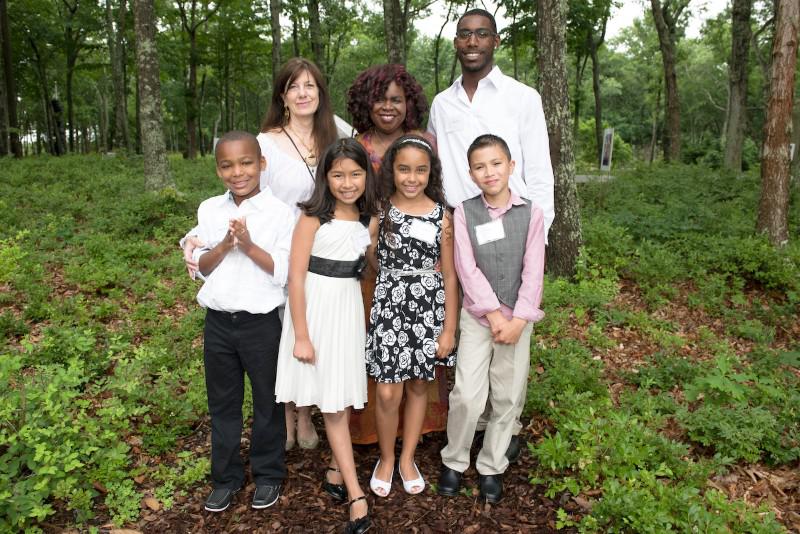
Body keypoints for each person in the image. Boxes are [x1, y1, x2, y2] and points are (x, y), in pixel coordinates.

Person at [183, 57, 339, 452]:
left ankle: (306, 413)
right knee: (281, 335)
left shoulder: (337, 134)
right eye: (293, 87)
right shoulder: (265, 143)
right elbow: (238, 199)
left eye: (310, 86)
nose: (302, 94)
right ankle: (284, 417)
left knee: (310, 332)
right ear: (282, 96)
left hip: (324, 252)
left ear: (320, 92)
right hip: (276, 249)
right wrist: (195, 237)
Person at [426, 7, 555, 462]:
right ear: (456, 43)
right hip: (464, 231)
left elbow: (538, 170)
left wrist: (536, 240)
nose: (473, 42)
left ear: (495, 41)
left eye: (482, 34)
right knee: (471, 327)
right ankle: (470, 424)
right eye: (465, 35)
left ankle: (506, 426)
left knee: (510, 333)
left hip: (516, 231)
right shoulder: (443, 104)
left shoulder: (522, 97)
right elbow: (440, 173)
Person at [274, 138, 378, 534]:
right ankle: (356, 494)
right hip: (315, 312)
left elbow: (370, 265)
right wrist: (301, 334)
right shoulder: (312, 218)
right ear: (326, 177)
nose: (347, 182)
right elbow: (296, 279)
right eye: (338, 175)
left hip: (348, 310)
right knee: (333, 407)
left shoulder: (368, 219)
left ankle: (336, 470)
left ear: (366, 176)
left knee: (343, 392)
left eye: (355, 174)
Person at [438, 134, 545, 504]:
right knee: (467, 393)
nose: (490, 172)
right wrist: (494, 313)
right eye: (480, 167)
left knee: (507, 395)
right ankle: (454, 459)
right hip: (478, 318)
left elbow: (534, 269)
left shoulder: (531, 213)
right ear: (471, 173)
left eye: (496, 163)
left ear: (511, 166)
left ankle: (492, 464)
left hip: (518, 320)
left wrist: (518, 318)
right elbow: (465, 267)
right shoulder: (465, 212)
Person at [346, 64, 447, 446]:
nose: (388, 107)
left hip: (421, 267)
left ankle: (414, 434)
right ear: (365, 103)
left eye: (396, 100)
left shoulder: (424, 141)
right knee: (378, 349)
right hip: (371, 263)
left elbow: (436, 195)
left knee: (418, 352)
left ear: (409, 103)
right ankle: (374, 432)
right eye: (380, 99)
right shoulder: (358, 145)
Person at [192, 131, 293, 513]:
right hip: (218, 322)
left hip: (261, 324)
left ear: (261, 164)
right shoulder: (209, 210)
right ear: (218, 170)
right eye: (227, 165)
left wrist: (248, 245)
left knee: (267, 401)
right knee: (223, 403)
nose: (238, 172)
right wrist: (224, 245)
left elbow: (283, 271)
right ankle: (226, 478)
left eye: (246, 163)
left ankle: (268, 474)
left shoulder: (281, 213)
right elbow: (201, 266)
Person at [365, 135, 458, 497]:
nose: (411, 177)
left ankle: (407, 458)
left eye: (420, 170)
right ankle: (386, 458)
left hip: (428, 310)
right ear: (392, 170)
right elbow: (369, 257)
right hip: (390, 306)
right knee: (388, 393)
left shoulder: (442, 216)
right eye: (404, 169)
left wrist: (448, 329)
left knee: (420, 385)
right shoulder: (380, 210)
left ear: (430, 172)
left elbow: (450, 276)